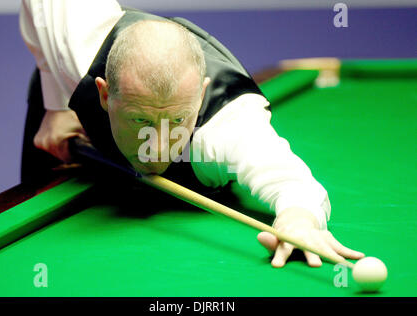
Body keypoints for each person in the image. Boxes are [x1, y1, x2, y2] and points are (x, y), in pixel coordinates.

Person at [19, 0, 364, 268]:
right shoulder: (79, 42)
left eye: (177, 120)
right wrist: (55, 103)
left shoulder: (228, 126)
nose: (157, 144)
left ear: (200, 94)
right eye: (141, 121)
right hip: (74, 104)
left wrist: (298, 220)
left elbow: (294, 185)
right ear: (106, 94)